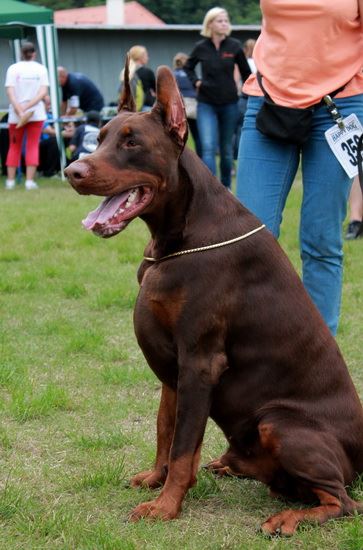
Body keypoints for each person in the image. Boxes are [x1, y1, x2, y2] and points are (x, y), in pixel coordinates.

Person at [236, 0, 363, 336]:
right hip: (268, 100)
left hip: (339, 106)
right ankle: (254, 349)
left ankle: (319, 358)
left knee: (321, 238)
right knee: (248, 236)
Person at [184, 7, 251, 189]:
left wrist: (251, 95)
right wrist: (196, 81)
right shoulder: (201, 47)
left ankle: (226, 188)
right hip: (206, 104)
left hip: (230, 104)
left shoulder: (235, 46)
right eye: (220, 20)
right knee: (207, 148)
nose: (224, 23)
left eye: (226, 20)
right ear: (210, 24)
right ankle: (210, 189)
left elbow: (247, 74)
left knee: (226, 151)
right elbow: (188, 67)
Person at [4, 41, 49, 190]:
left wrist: (19, 109)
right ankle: (29, 181)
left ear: (20, 53)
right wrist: (28, 107)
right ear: (34, 53)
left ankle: (10, 181)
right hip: (36, 113)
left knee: (14, 146)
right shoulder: (41, 69)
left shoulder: (13, 68)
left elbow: (10, 91)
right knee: (32, 146)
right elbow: (42, 92)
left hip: (16, 114)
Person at [173, 52, 202, 158]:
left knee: (179, 135)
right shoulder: (192, 74)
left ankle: (179, 156)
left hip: (180, 105)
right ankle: (200, 157)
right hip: (193, 103)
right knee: (197, 135)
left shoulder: (173, 74)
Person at [128, 45, 156, 111]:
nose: (148, 58)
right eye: (146, 55)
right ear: (141, 57)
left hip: (130, 108)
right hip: (147, 107)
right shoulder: (147, 72)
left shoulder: (126, 72)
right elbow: (157, 90)